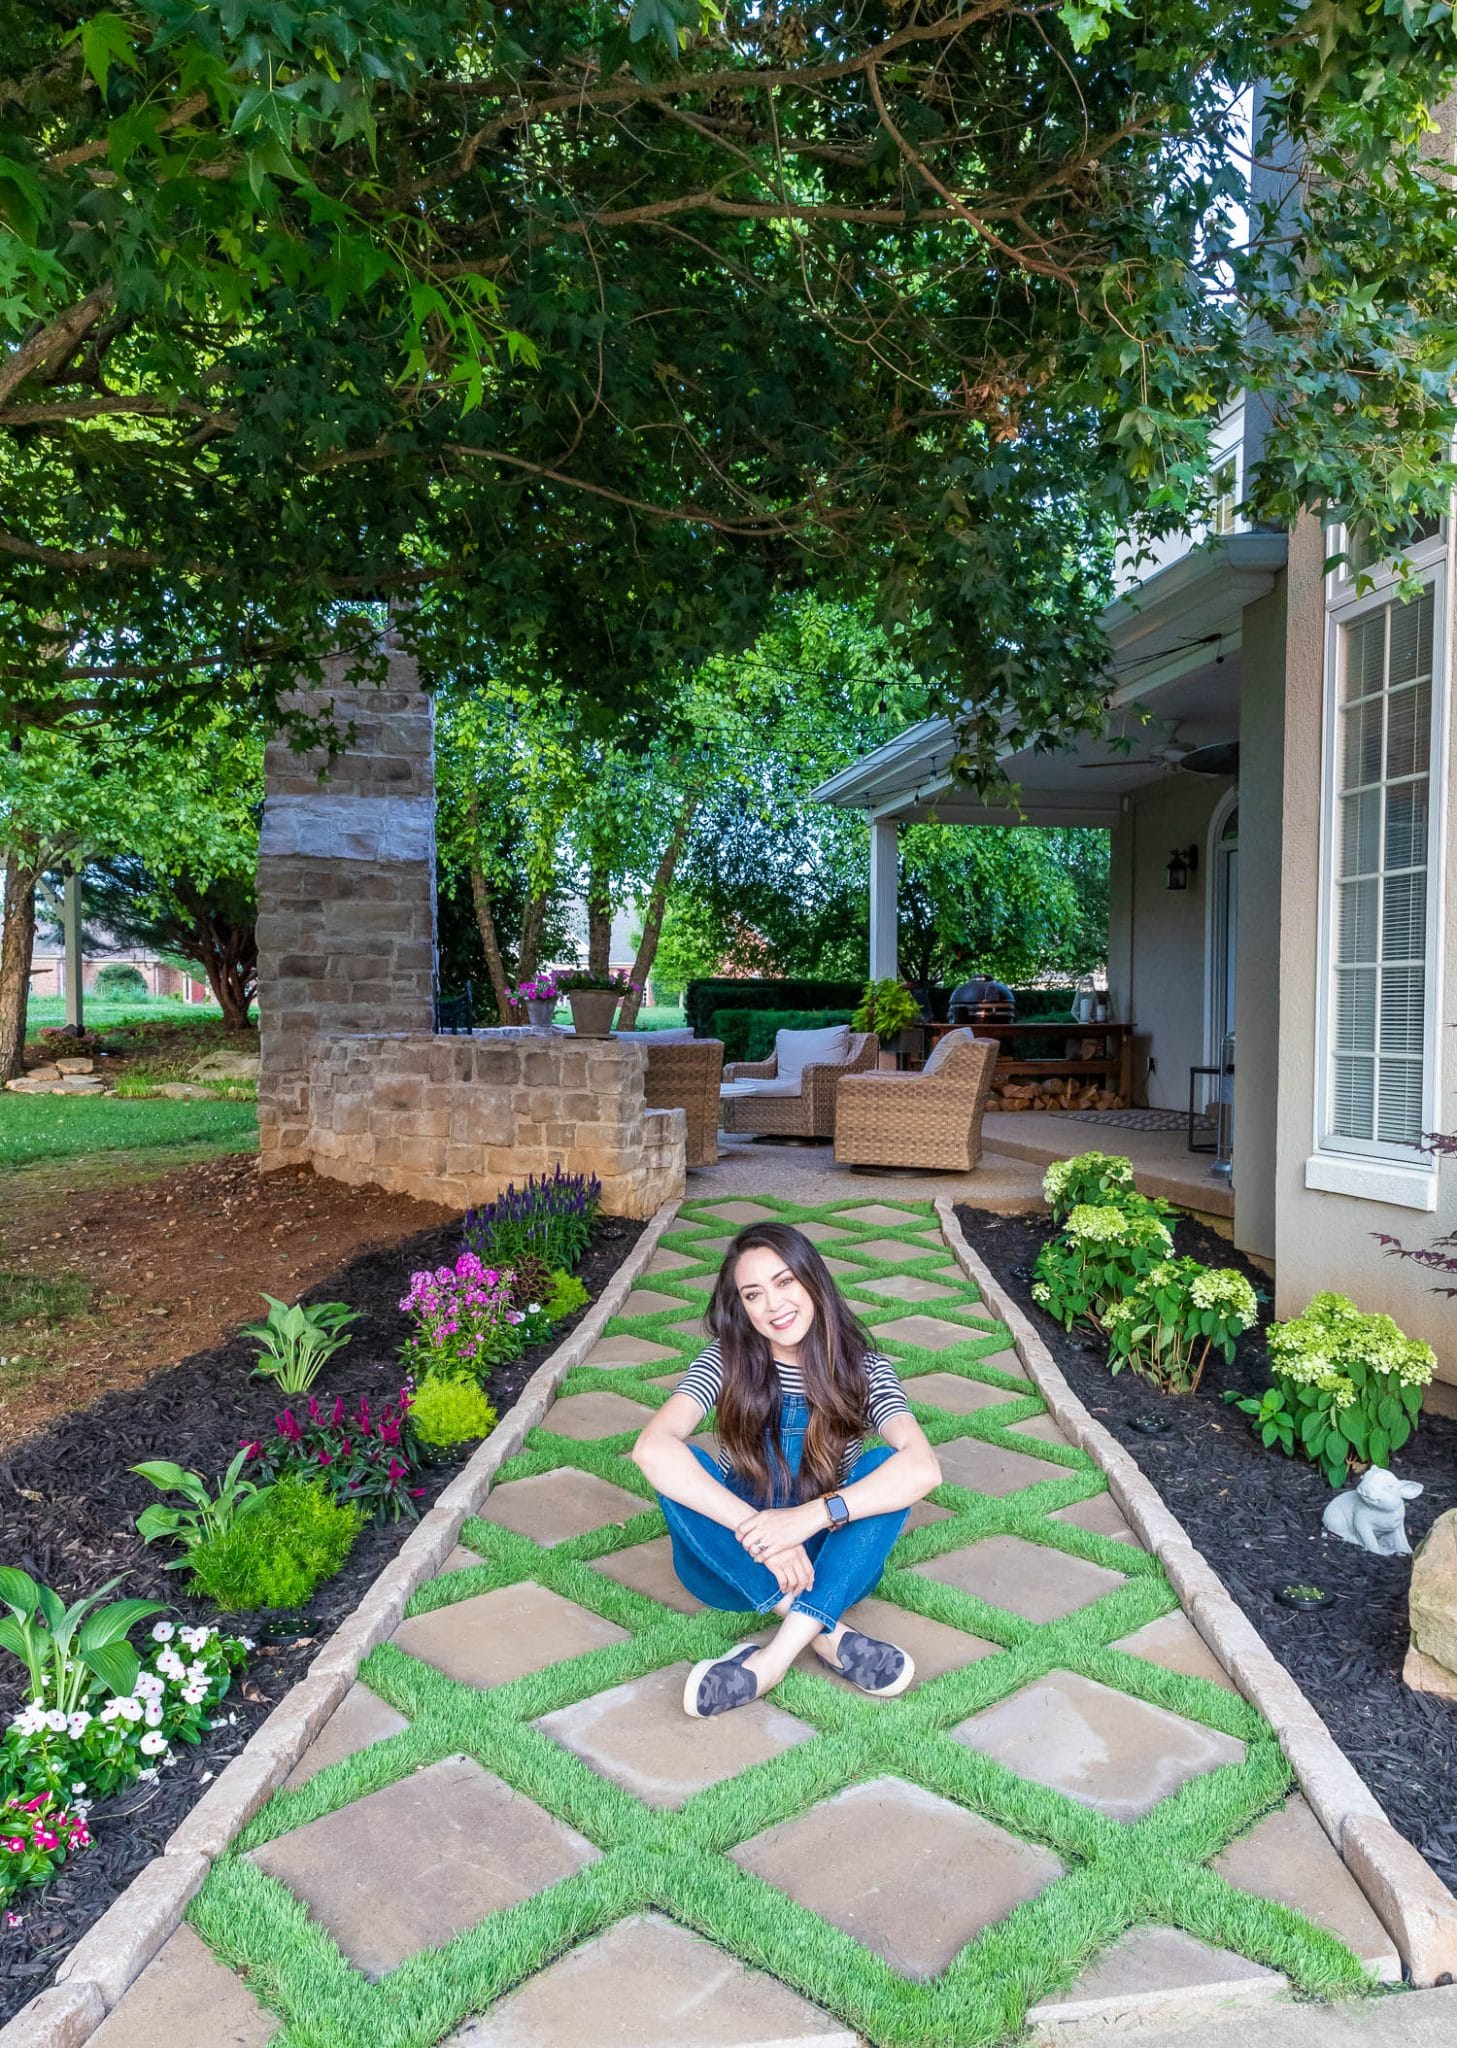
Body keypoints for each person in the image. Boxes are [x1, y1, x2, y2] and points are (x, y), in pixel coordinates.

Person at [630, 1222, 942, 1719]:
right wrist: (760, 1534)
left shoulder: (864, 1368)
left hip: (827, 1563)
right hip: (727, 1566)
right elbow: (651, 1450)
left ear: (811, 1279)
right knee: (679, 1467)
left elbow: (923, 1467)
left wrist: (810, 1518)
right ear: (742, 1306)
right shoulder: (724, 1361)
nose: (773, 1306)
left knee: (890, 1468)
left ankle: (770, 1662)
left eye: (784, 1282)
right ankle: (827, 1635)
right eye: (753, 1294)